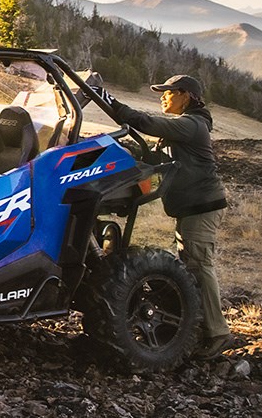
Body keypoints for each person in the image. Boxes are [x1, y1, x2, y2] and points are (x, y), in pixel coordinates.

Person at [101, 74, 232, 356]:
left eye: (169, 92)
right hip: (191, 207)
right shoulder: (184, 128)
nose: (163, 97)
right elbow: (157, 161)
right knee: (190, 263)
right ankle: (195, 326)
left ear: (186, 96)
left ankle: (218, 334)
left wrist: (109, 101)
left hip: (202, 207)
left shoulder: (192, 125)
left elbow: (146, 123)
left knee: (198, 264)